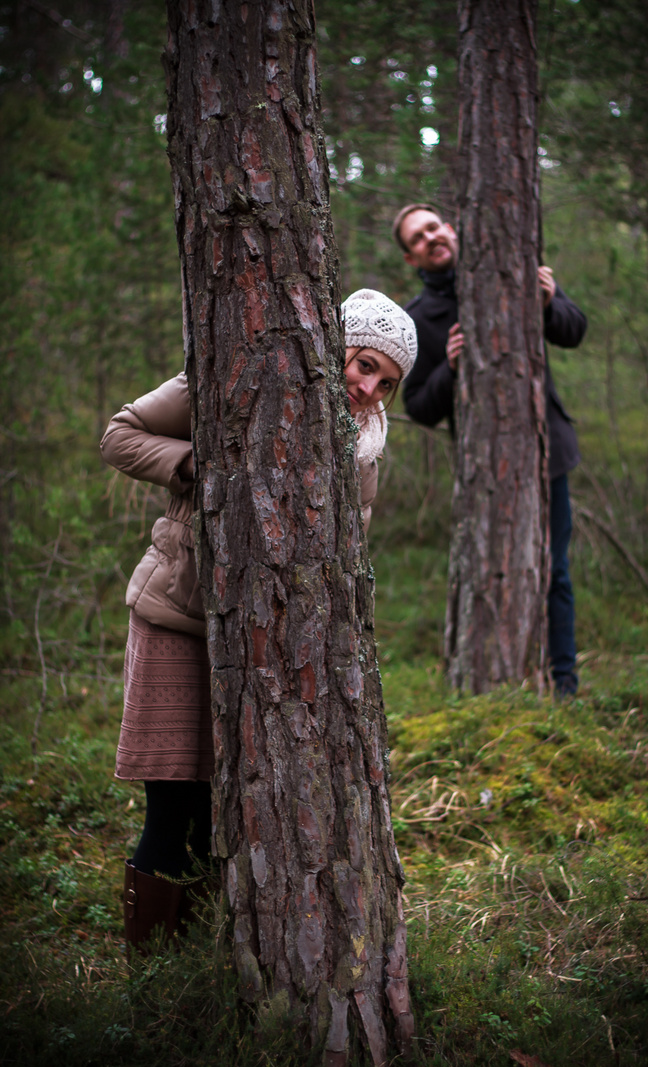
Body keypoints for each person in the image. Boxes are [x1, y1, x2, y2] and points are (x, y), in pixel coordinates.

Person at [100, 288, 417, 953]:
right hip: (176, 618)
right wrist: (194, 465)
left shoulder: (363, 447)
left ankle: (200, 970)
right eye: (364, 365)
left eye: (385, 382)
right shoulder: (226, 373)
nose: (369, 389)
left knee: (227, 813)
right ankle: (152, 976)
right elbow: (119, 436)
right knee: (173, 809)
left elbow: (348, 551)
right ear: (335, 347)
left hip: (255, 646)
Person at [392, 202, 587, 698]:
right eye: (418, 238)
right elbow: (418, 407)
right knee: (493, 570)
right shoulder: (416, 320)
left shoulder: (515, 270)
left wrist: (545, 302)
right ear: (412, 258)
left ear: (452, 229)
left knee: (554, 570)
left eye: (434, 227)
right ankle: (497, 681)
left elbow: (575, 329)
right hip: (485, 466)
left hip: (548, 452)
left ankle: (564, 684)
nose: (430, 238)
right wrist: (450, 367)